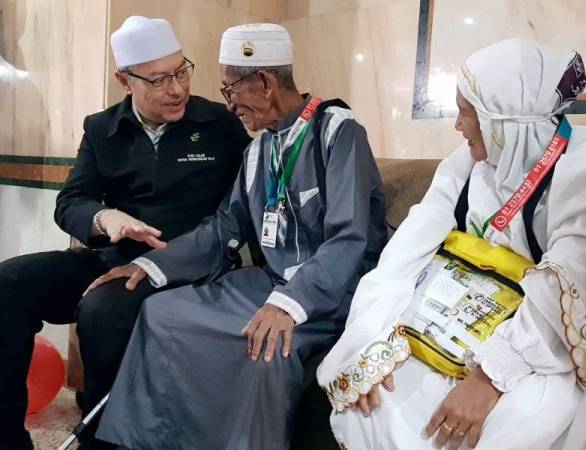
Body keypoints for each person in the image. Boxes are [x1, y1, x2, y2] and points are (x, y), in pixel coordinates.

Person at [86, 23, 387, 450]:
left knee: (269, 347)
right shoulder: (259, 149)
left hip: (331, 291)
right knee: (163, 312)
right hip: (270, 284)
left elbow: (348, 238)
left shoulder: (338, 132)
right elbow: (224, 227)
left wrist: (289, 303)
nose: (229, 105)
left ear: (264, 83)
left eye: (230, 90)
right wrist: (151, 264)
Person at [317, 39, 586, 450]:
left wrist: (489, 377)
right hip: (447, 320)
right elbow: (405, 251)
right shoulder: (466, 162)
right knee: (373, 399)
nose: (458, 126)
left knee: (524, 423)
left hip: (537, 344)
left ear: (505, 122)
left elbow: (571, 288)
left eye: (466, 113)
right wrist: (369, 339)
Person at [0, 15, 250, 450]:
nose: (176, 89)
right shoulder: (102, 128)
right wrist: (105, 219)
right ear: (124, 80)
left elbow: (244, 207)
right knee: (9, 283)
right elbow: (71, 202)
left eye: (181, 72)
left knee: (103, 309)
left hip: (185, 267)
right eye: (158, 79)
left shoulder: (219, 125)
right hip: (113, 259)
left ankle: (103, 441)